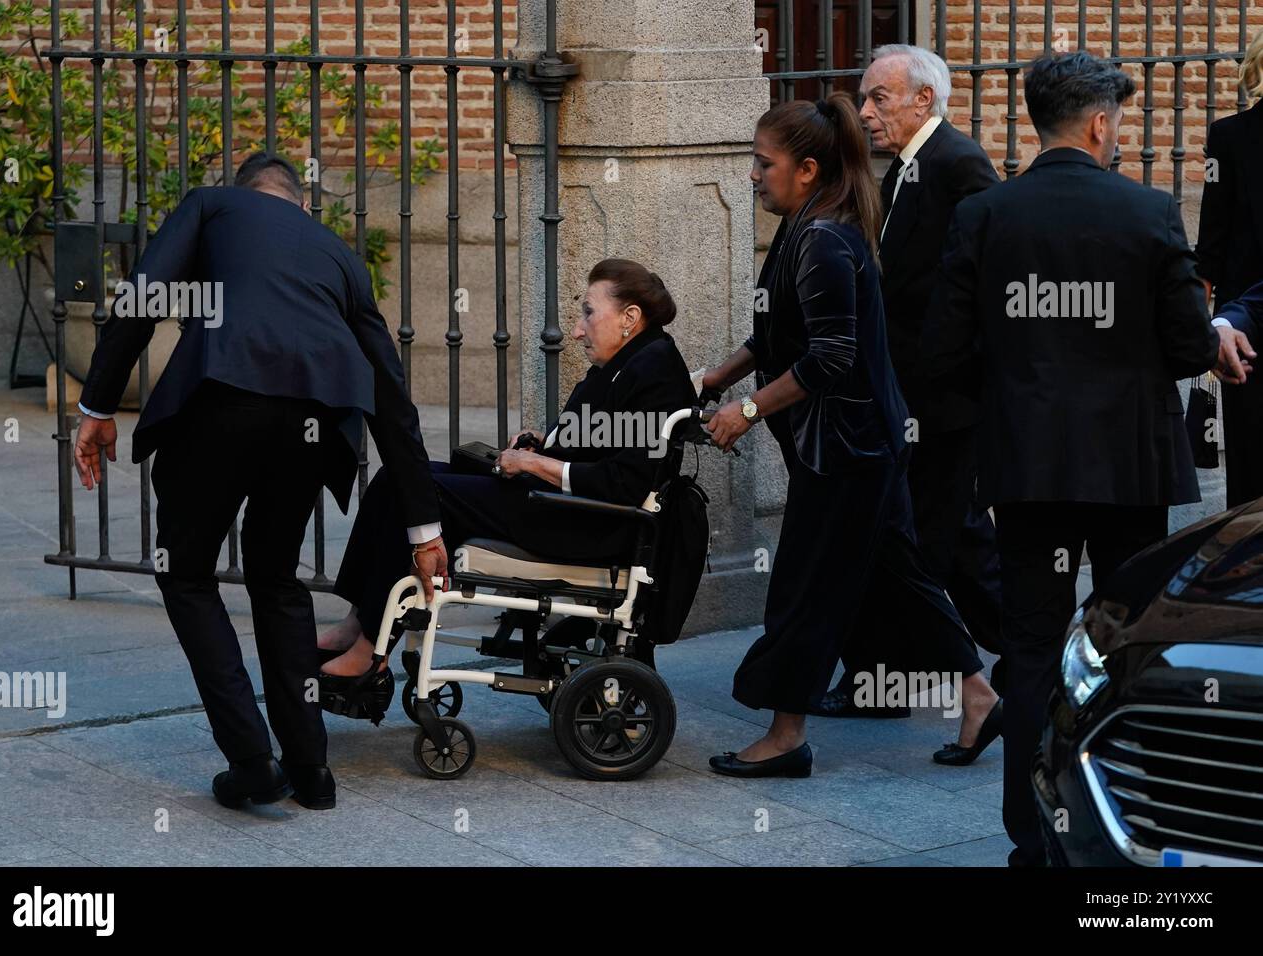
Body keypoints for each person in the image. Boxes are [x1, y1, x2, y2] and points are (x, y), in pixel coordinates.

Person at [72, 153, 448, 812]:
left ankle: (252, 761)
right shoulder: (339, 255)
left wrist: (98, 406)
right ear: (303, 205)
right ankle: (311, 770)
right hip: (310, 423)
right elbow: (391, 395)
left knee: (187, 573)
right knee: (276, 579)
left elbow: (142, 294)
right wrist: (425, 529)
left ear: (244, 193)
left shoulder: (211, 205)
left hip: (219, 400)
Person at [926, 52, 1223, 865]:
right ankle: (1125, 823)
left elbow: (942, 354)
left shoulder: (986, 216)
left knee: (1029, 652)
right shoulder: (1149, 211)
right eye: (1118, 123)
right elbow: (1189, 348)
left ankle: (1033, 837)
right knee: (1129, 645)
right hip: (1130, 471)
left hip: (1028, 471)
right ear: (1100, 124)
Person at [700, 92, 1001, 780]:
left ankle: (784, 736)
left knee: (805, 588)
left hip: (847, 450)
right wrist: (716, 377)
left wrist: (745, 413)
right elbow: (778, 331)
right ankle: (980, 695)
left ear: (806, 170)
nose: (753, 174)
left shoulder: (824, 239)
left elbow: (829, 356)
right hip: (865, 444)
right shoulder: (804, 224)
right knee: (901, 578)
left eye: (763, 162)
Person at [316, 258, 698, 697]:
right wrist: (545, 441)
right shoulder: (632, 358)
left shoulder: (653, 369)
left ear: (630, 317)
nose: (577, 330)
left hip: (588, 524)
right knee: (398, 479)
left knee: (424, 494)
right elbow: (602, 438)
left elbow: (623, 482)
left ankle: (371, 650)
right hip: (564, 505)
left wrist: (534, 464)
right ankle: (356, 622)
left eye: (588, 313)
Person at [820, 44, 1006, 723]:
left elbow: (974, 287)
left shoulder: (958, 164)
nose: (865, 112)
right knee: (936, 541)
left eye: (880, 98)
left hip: (939, 402)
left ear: (924, 99)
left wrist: (930, 381)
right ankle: (892, 676)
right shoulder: (907, 166)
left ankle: (1018, 663)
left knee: (925, 542)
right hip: (910, 397)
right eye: (865, 99)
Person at [1196, 29, 1263, 505]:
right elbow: (1210, 248)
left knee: (1250, 460)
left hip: (1241, 326)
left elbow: (1210, 248)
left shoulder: (1229, 136)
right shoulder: (1229, 136)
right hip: (1243, 328)